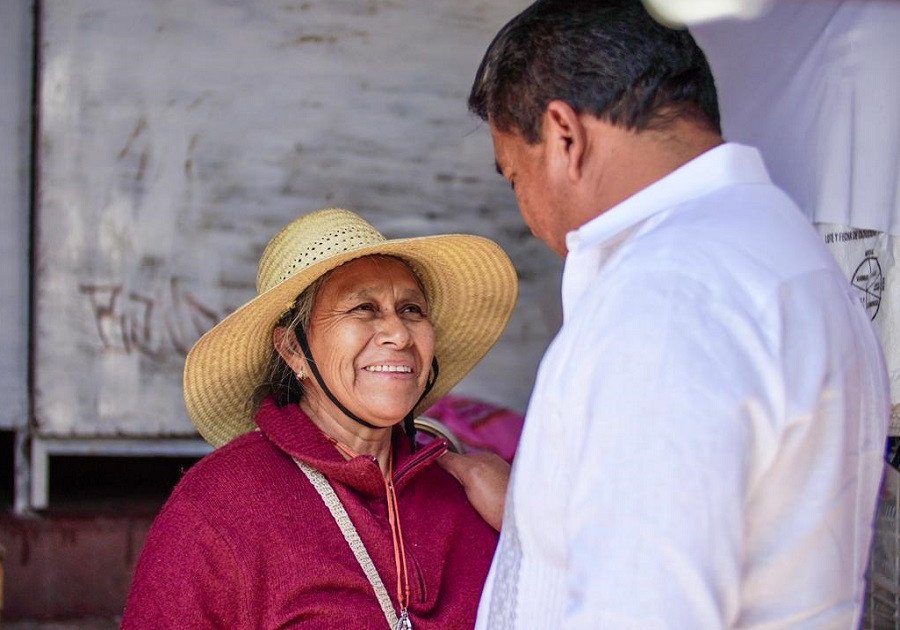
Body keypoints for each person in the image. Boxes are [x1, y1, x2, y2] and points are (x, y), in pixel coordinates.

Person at [444, 0, 891, 627]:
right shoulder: (796, 263)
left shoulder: (669, 298)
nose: (527, 210)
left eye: (516, 177)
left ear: (565, 136)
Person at [122, 207, 518, 628]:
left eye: (411, 310)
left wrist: (526, 525)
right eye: (363, 308)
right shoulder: (217, 508)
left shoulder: (470, 498)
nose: (399, 335)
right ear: (294, 350)